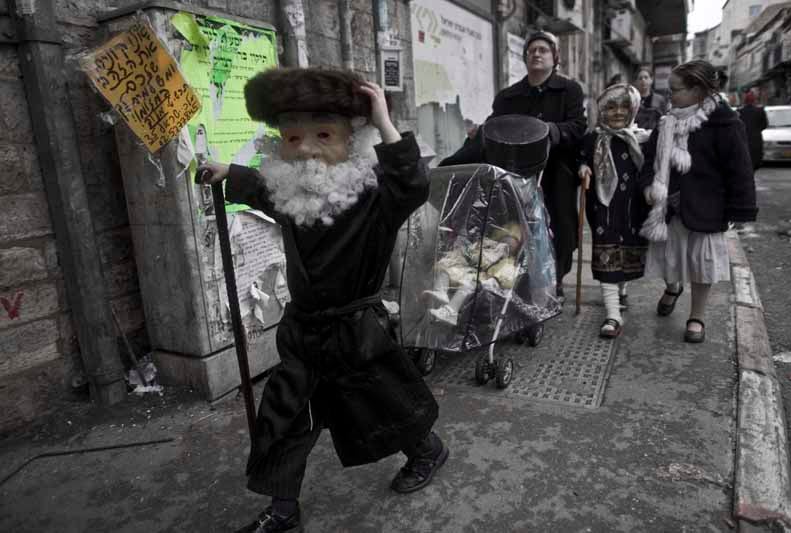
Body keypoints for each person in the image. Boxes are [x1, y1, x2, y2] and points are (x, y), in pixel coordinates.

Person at [197, 67, 446, 533]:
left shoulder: (375, 196)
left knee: (384, 407)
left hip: (358, 335)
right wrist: (229, 171)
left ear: (352, 141)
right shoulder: (292, 194)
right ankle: (283, 509)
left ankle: (428, 448)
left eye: (323, 134)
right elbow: (264, 188)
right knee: (285, 415)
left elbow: (412, 185)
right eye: (292, 138)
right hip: (305, 332)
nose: (306, 148)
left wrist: (386, 124)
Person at [440, 30, 587, 304]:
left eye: (543, 49)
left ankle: (555, 280)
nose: (537, 53)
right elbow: (496, 125)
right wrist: (476, 136)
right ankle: (517, 278)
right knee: (512, 228)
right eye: (532, 50)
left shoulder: (570, 90)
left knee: (562, 227)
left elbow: (578, 127)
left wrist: (549, 131)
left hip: (555, 170)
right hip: (515, 171)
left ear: (555, 58)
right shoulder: (509, 96)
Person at [639, 60, 758, 343]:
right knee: (667, 260)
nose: (670, 97)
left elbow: (740, 170)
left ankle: (697, 316)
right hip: (667, 209)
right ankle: (672, 288)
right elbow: (648, 161)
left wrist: (739, 209)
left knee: (701, 263)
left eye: (675, 90)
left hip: (706, 207)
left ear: (697, 90)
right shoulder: (666, 121)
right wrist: (646, 186)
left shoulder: (725, 122)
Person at [577, 84, 650, 338]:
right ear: (601, 111)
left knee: (628, 251)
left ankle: (622, 290)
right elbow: (581, 156)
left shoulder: (642, 138)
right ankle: (612, 314)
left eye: (624, 107)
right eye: (610, 107)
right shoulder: (593, 138)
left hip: (633, 209)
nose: (618, 112)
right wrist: (583, 167)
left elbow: (651, 168)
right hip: (603, 208)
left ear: (634, 110)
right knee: (606, 252)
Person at [425, 223, 523, 325]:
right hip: (468, 270)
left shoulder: (509, 262)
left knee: (468, 284)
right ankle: (440, 290)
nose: (509, 243)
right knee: (448, 266)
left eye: (514, 241)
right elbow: (470, 253)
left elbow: (502, 280)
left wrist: (490, 273)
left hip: (480, 280)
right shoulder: (487, 244)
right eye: (507, 238)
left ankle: (451, 311)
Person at [738, 90, 769, 170]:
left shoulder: (739, 112)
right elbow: (764, 125)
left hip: (743, 139)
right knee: (755, 161)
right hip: (756, 140)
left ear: (745, 101)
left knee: (744, 162)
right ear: (754, 100)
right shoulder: (760, 111)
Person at [633, 67, 669, 132]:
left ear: (651, 80)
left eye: (646, 77)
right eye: (640, 78)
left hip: (655, 136)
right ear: (636, 82)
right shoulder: (633, 100)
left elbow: (665, 119)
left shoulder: (660, 100)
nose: (643, 80)